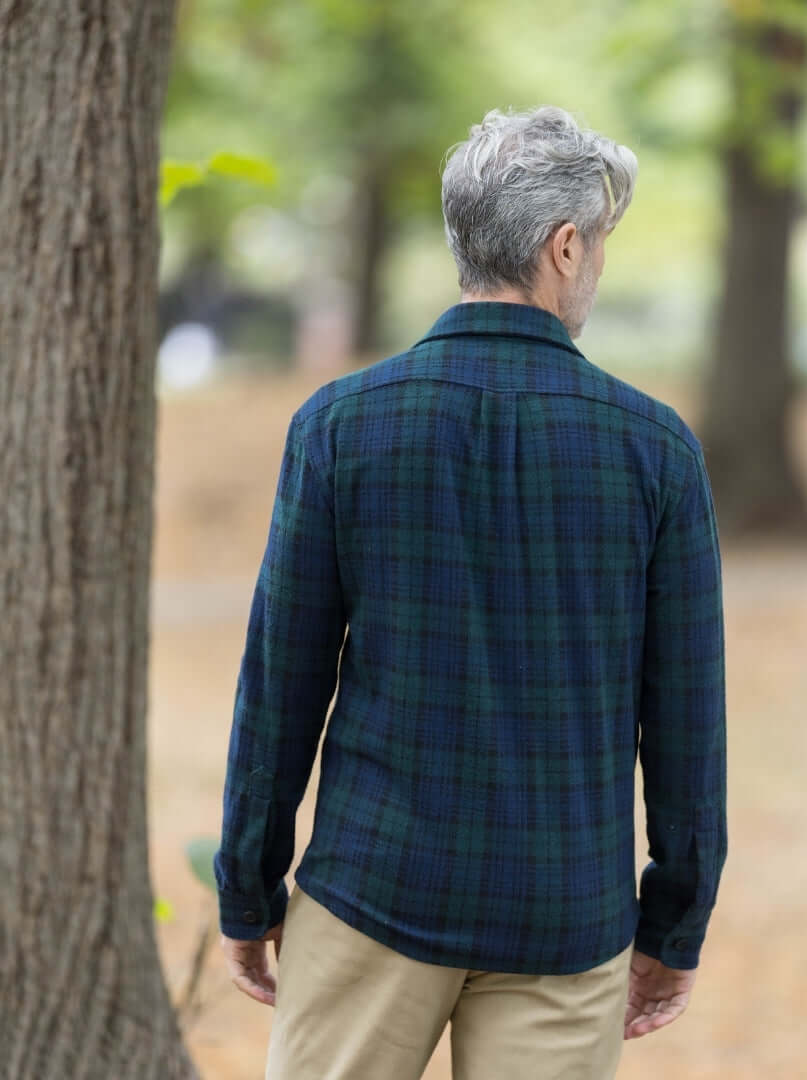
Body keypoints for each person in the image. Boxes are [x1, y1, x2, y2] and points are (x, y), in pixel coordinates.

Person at [214, 105, 727, 1080]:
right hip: (566, 912)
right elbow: (687, 722)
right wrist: (678, 921)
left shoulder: (340, 427)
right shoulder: (657, 451)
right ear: (564, 247)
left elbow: (278, 689)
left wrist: (248, 887)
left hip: (372, 889)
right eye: (601, 244)